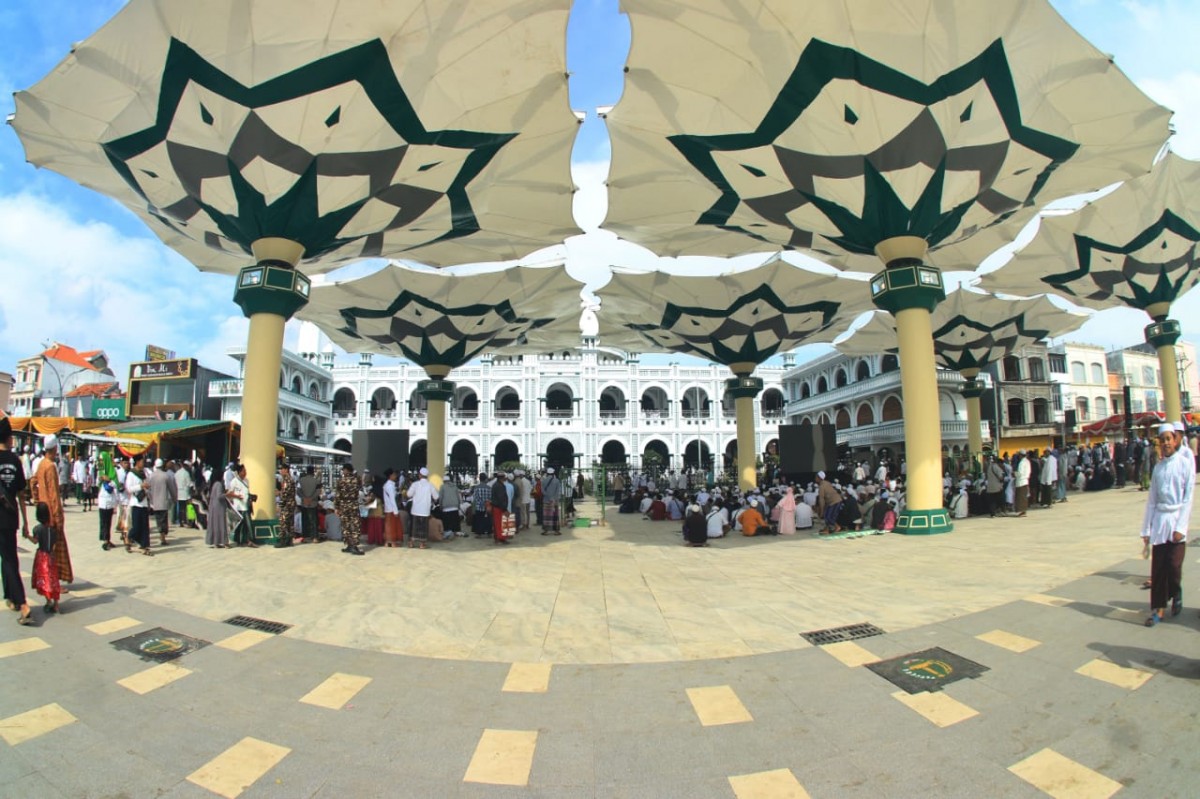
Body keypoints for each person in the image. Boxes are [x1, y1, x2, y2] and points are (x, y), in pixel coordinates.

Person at [1141, 422, 1194, 627]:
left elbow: (1188, 497)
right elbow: (1152, 500)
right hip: (1160, 522)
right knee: (1158, 568)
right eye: (1162, 440)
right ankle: (1158, 610)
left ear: (1175, 440)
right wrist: (1147, 529)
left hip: (1176, 520)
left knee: (1174, 565)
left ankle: (1176, 590)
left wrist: (1181, 527)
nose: (1166, 443)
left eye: (1169, 439)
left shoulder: (1184, 463)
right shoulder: (1158, 469)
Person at [0, 415, 34, 625]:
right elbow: (22, 494)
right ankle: (10, 597)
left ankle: (22, 603)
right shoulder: (15, 460)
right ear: (9, 438)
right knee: (9, 557)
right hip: (11, 516)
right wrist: (26, 522)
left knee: (9, 560)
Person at [32, 435, 73, 580]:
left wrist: (38, 501)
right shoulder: (50, 466)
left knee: (46, 547)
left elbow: (33, 482)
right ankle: (54, 579)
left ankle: (49, 578)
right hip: (52, 513)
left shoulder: (42, 463)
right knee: (56, 549)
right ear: (55, 449)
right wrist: (57, 516)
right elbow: (54, 494)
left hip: (44, 512)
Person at [30, 502, 61, 614]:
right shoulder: (53, 530)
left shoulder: (37, 529)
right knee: (53, 578)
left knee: (44, 579)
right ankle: (56, 604)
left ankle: (48, 602)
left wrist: (27, 536)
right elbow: (54, 544)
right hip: (51, 556)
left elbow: (35, 541)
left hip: (42, 557)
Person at [334, 463, 364, 555]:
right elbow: (360, 485)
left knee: (345, 526)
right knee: (355, 525)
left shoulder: (340, 480)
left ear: (346, 470)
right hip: (353, 504)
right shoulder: (356, 479)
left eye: (343, 470)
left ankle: (349, 545)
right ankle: (353, 546)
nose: (343, 471)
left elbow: (337, 495)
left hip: (343, 505)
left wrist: (336, 507)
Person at [407, 467, 437, 549]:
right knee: (423, 527)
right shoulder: (430, 485)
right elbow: (436, 496)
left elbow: (409, 494)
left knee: (414, 526)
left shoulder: (415, 484)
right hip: (425, 510)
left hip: (415, 509)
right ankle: (422, 544)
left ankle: (411, 543)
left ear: (420, 475)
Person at [226, 464, 255, 547]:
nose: (245, 472)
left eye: (245, 471)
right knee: (239, 525)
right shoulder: (234, 482)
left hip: (246, 506)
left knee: (248, 524)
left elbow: (246, 492)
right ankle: (239, 541)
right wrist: (237, 496)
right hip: (238, 507)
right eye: (243, 471)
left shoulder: (247, 481)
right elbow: (229, 494)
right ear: (239, 472)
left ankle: (249, 540)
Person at [148, 458, 173, 545]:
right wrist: (174, 498)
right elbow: (172, 488)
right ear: (162, 466)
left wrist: (150, 499)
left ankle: (161, 534)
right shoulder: (166, 475)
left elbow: (148, 489)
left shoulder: (151, 476)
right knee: (163, 519)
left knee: (158, 519)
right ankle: (162, 536)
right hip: (163, 501)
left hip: (154, 502)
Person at [206, 472, 229, 548]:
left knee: (215, 524)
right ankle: (224, 542)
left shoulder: (214, 484)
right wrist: (227, 494)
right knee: (221, 524)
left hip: (213, 506)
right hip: (219, 507)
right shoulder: (219, 484)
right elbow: (219, 496)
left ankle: (216, 542)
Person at [298, 466, 321, 543]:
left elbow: (298, 491)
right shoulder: (316, 481)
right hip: (313, 502)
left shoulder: (300, 480)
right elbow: (318, 491)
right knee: (314, 520)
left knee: (304, 520)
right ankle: (315, 537)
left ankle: (305, 537)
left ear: (307, 471)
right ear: (313, 471)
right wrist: (311, 498)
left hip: (304, 503)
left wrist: (304, 498)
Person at [276, 464, 297, 548]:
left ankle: (283, 541)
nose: (281, 471)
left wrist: (279, 493)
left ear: (286, 470)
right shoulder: (288, 479)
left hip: (287, 504)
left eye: (282, 469)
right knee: (290, 522)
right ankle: (289, 540)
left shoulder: (287, 480)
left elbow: (285, 493)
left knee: (283, 522)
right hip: (290, 504)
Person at [97, 471, 118, 550]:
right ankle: (105, 541)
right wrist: (101, 479)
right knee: (104, 523)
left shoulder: (113, 479)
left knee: (108, 523)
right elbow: (97, 483)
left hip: (110, 504)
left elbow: (116, 485)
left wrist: (109, 480)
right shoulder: (101, 478)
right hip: (103, 504)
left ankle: (107, 539)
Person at [382, 468, 402, 547]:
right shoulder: (390, 486)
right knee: (393, 526)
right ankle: (392, 541)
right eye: (394, 474)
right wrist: (396, 511)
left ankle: (388, 541)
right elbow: (393, 500)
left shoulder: (387, 485)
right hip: (392, 509)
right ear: (390, 476)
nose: (395, 476)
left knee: (388, 525)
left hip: (388, 508)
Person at [490, 472, 511, 545]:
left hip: (497, 507)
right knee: (499, 524)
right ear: (502, 478)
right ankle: (499, 538)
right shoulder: (500, 486)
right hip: (499, 508)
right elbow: (501, 498)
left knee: (498, 524)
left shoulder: (496, 485)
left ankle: (499, 538)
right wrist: (505, 509)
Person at [541, 467, 563, 536]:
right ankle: (556, 531)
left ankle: (546, 531)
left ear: (547, 473)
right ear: (553, 473)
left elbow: (543, 491)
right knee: (555, 516)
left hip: (546, 501)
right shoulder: (557, 481)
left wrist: (549, 497)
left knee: (546, 516)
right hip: (554, 501)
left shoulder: (544, 481)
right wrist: (553, 499)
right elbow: (558, 491)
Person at [1013, 452, 1030, 517]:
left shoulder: (1022, 463)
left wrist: (1014, 473)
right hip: (1025, 481)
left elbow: (1020, 473)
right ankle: (1024, 510)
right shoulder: (1027, 461)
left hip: (1021, 481)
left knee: (1021, 497)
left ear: (1021, 455)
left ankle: (1022, 511)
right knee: (1024, 497)